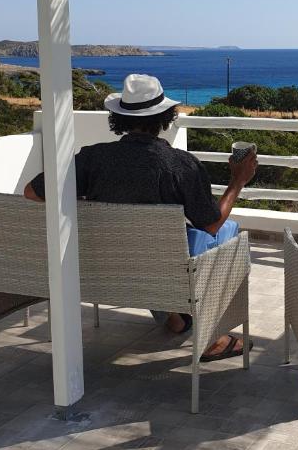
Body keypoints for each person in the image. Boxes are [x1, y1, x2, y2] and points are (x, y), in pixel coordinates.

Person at [24, 73, 257, 361]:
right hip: (161, 268)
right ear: (165, 117)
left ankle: (175, 317)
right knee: (228, 230)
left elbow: (32, 193)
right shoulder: (180, 165)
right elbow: (210, 223)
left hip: (104, 268)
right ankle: (211, 338)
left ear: (119, 118)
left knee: (157, 250)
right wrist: (237, 181)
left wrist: (83, 202)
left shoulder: (91, 159)